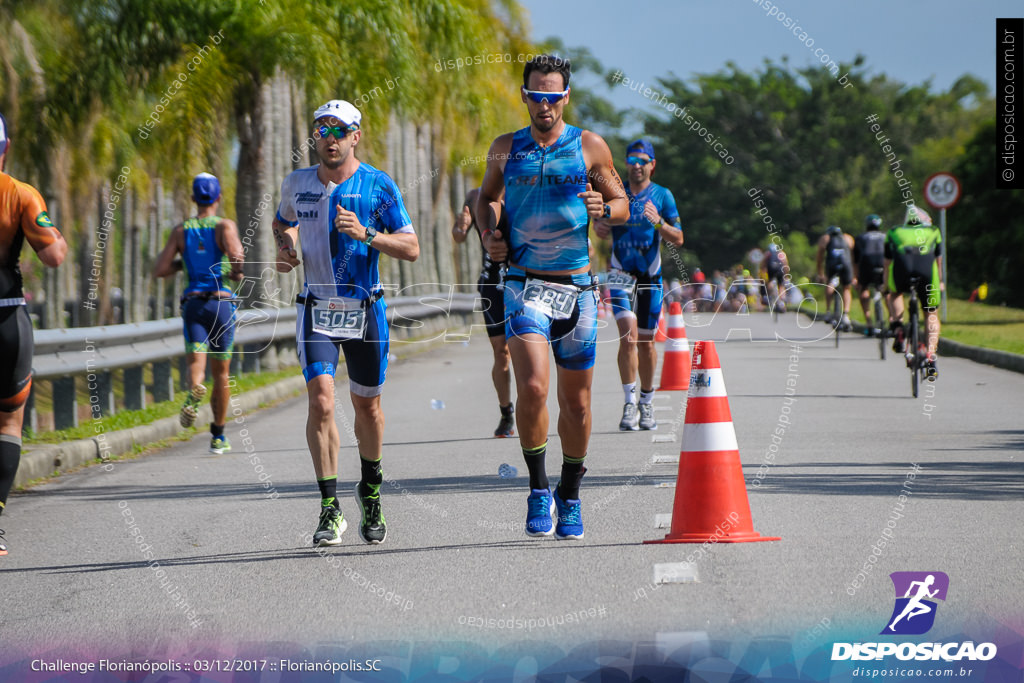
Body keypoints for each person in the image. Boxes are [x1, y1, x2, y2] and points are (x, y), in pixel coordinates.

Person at [477, 55, 628, 540]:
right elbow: (487, 198)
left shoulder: (589, 146)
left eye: (553, 96)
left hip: (578, 289)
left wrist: (605, 205)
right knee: (535, 389)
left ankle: (571, 493)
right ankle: (539, 489)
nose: (545, 105)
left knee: (578, 405)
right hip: (524, 285)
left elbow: (623, 205)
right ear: (524, 96)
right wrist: (489, 232)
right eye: (536, 96)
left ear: (566, 97)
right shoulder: (506, 148)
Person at [274, 100, 419, 547]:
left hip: (364, 308)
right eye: (322, 129)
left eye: (340, 130)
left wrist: (367, 235)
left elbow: (410, 247)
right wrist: (286, 246)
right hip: (315, 307)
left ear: (356, 136)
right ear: (315, 136)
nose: (330, 137)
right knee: (321, 401)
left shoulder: (378, 186)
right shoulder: (297, 183)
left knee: (367, 409)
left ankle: (370, 492)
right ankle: (329, 508)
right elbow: (285, 223)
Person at [0, 111, 68, 556]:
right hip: (5, 318)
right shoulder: (20, 194)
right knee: (7, 420)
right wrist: (54, 235)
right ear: (4, 148)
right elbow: (54, 257)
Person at [592, 139, 682, 431]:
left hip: (649, 277)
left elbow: (679, 238)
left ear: (652, 165)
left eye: (643, 160)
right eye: (632, 160)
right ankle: (629, 402)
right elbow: (599, 224)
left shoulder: (663, 195)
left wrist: (659, 223)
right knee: (627, 337)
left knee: (645, 342)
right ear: (626, 164)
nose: (637, 165)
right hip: (619, 273)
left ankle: (646, 402)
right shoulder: (615, 193)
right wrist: (600, 226)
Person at [154, 173, 244, 454]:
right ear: (218, 198)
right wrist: (235, 272)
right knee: (222, 373)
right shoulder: (224, 226)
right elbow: (238, 258)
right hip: (221, 305)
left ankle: (194, 388)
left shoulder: (181, 230)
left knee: (197, 363)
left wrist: (185, 265)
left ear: (194, 199)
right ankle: (218, 435)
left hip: (194, 304)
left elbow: (160, 269)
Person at [451, 187, 514, 437]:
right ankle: (506, 412)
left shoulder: (523, 185)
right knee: (502, 350)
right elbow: (459, 236)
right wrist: (460, 226)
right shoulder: (476, 196)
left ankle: (534, 405)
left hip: (524, 279)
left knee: (528, 348)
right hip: (492, 283)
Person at [885, 205, 942, 379]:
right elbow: (938, 261)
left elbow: (887, 262)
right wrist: (939, 282)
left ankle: (899, 327)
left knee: (894, 294)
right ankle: (931, 357)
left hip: (902, 273)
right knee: (931, 313)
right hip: (927, 275)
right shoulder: (933, 231)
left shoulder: (894, 232)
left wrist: (885, 284)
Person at [816, 225, 855, 331]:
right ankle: (846, 314)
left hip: (832, 265)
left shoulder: (826, 238)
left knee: (829, 284)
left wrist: (820, 274)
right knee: (847, 288)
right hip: (846, 264)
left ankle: (828, 311)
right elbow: (852, 255)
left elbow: (820, 257)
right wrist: (854, 274)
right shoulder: (847, 238)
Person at [853, 213, 887, 334]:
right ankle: (893, 320)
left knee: (863, 289)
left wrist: (856, 277)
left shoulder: (861, 237)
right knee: (887, 291)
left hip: (866, 264)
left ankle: (869, 322)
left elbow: (855, 260)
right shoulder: (885, 236)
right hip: (883, 264)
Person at [761, 243, 789, 312]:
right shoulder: (782, 253)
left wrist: (763, 275)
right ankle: (782, 300)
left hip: (771, 269)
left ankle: (770, 297)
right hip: (780, 269)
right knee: (781, 285)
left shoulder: (768, 253)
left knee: (770, 282)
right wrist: (786, 275)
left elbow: (763, 265)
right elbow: (786, 265)